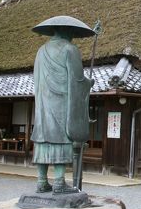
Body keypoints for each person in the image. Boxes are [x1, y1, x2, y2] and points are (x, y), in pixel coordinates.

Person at [31, 16, 95, 194]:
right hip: (61, 104)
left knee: (43, 137)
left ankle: (41, 181)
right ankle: (59, 182)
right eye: (72, 33)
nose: (73, 36)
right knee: (60, 137)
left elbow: (36, 80)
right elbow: (77, 80)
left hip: (43, 104)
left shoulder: (41, 51)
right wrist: (88, 84)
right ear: (66, 31)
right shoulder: (70, 49)